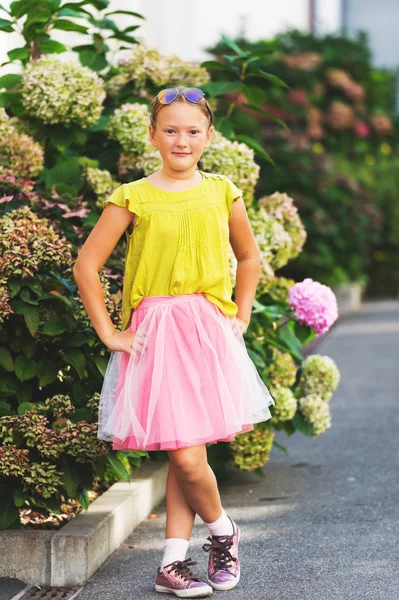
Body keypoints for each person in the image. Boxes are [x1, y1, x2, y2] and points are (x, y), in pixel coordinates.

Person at [73, 85, 274, 598]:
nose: (181, 140)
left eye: (191, 130)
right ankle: (224, 530)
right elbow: (87, 265)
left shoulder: (221, 191)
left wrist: (242, 313)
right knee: (184, 455)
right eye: (170, 130)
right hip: (156, 335)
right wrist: (108, 331)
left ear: (209, 135)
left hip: (207, 331)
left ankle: (171, 563)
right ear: (153, 135)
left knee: (188, 454)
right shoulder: (133, 196)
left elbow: (248, 257)